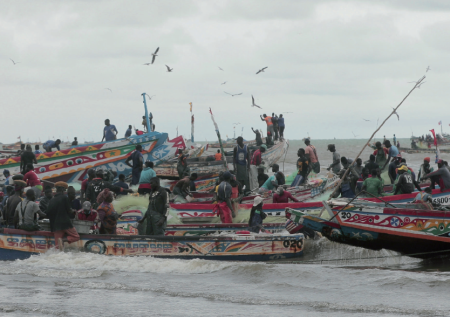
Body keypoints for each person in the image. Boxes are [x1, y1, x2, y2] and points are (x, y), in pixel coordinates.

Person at [46, 181, 80, 249]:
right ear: (62, 189)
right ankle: (62, 240)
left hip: (55, 226)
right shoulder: (64, 198)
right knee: (76, 237)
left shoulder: (51, 200)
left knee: (58, 247)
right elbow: (69, 210)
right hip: (65, 224)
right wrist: (74, 211)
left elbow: (48, 213)